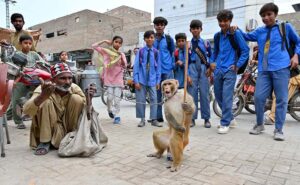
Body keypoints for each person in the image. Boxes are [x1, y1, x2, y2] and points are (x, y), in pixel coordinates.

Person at [235, 3, 300, 141]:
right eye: (263, 16)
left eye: (269, 14)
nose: (266, 18)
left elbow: (298, 42)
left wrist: (296, 56)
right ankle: (260, 124)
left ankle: (279, 129)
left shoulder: (285, 27)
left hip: (281, 68)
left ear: (275, 14)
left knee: (281, 100)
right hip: (264, 70)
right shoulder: (260, 31)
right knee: (258, 98)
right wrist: (237, 29)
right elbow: (246, 36)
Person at [23, 63, 95, 155]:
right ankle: (45, 142)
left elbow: (87, 114)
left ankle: (72, 137)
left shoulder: (74, 88)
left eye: (70, 78)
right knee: (46, 101)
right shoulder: (43, 88)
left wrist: (89, 100)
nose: (68, 82)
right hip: (50, 128)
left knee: (77, 99)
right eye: (63, 78)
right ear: (53, 80)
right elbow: (26, 111)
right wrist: (42, 97)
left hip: (69, 129)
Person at [211, 10, 249, 134]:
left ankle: (225, 122)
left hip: (230, 70)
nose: (222, 23)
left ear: (230, 21)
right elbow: (215, 51)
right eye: (220, 21)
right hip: (218, 70)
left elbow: (245, 50)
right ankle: (231, 119)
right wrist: (212, 62)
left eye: (225, 21)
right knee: (217, 95)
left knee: (227, 97)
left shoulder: (235, 33)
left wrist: (238, 65)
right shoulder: (217, 36)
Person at [8, 35, 46, 129]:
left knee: (37, 99)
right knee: (16, 101)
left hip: (33, 80)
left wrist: (40, 65)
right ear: (21, 44)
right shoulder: (16, 55)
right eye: (25, 43)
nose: (28, 45)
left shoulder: (34, 54)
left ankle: (6, 115)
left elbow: (42, 63)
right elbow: (11, 67)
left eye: (30, 43)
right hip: (20, 80)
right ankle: (18, 121)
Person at [92, 36, 127, 124]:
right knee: (110, 98)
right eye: (116, 42)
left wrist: (120, 57)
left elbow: (125, 65)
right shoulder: (106, 52)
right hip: (109, 78)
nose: (117, 44)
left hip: (118, 78)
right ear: (112, 42)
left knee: (117, 99)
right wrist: (103, 40)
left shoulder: (121, 54)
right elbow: (94, 46)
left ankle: (116, 116)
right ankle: (109, 109)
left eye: (119, 43)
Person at [133, 30, 161, 127]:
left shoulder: (156, 52)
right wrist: (136, 81)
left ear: (154, 39)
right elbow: (136, 67)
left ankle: (153, 119)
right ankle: (142, 119)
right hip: (141, 80)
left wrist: (158, 81)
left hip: (152, 80)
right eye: (147, 37)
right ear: (144, 39)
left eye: (152, 37)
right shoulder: (140, 52)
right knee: (141, 100)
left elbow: (159, 68)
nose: (150, 39)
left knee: (154, 99)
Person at [188, 20, 213, 128]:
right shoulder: (188, 44)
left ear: (201, 29)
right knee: (192, 95)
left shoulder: (206, 43)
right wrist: (187, 74)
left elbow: (211, 56)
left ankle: (206, 119)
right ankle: (192, 119)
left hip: (204, 68)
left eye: (197, 28)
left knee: (204, 94)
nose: (195, 30)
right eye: (193, 28)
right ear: (190, 30)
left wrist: (210, 69)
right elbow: (186, 60)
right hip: (192, 67)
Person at [153, 16, 175, 124]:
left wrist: (172, 66)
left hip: (167, 70)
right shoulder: (151, 38)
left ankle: (170, 117)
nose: (159, 26)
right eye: (157, 24)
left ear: (164, 26)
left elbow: (173, 53)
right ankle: (158, 116)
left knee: (169, 94)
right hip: (155, 72)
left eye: (161, 24)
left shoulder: (169, 39)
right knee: (156, 95)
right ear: (154, 26)